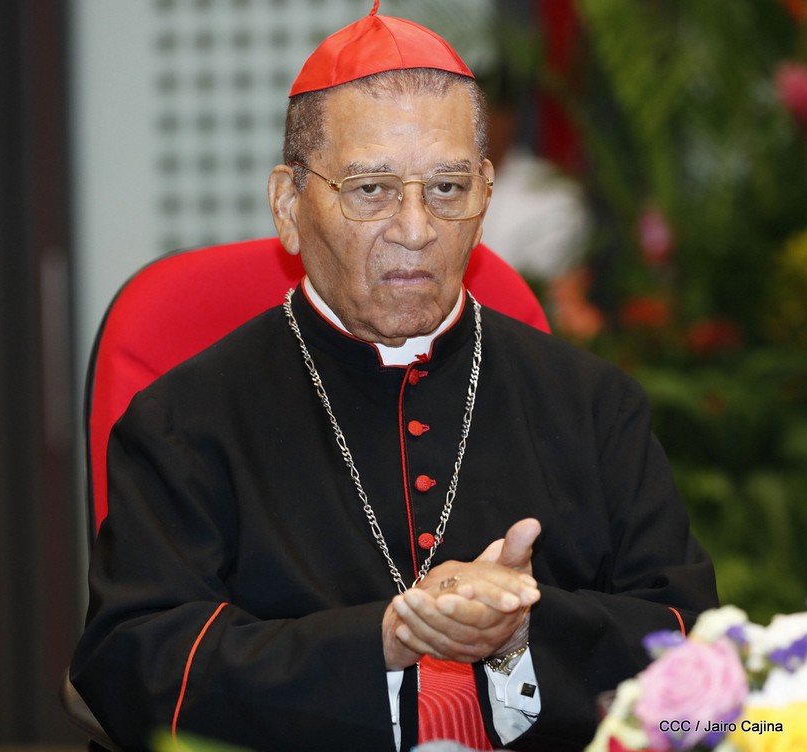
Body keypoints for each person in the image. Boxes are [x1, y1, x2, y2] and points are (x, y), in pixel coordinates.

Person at [69, 3, 718, 751]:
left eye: (447, 188)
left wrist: (516, 631)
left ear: (484, 193)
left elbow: (689, 644)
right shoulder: (184, 420)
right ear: (288, 205)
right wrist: (384, 639)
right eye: (371, 189)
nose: (416, 229)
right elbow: (136, 663)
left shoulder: (595, 404)